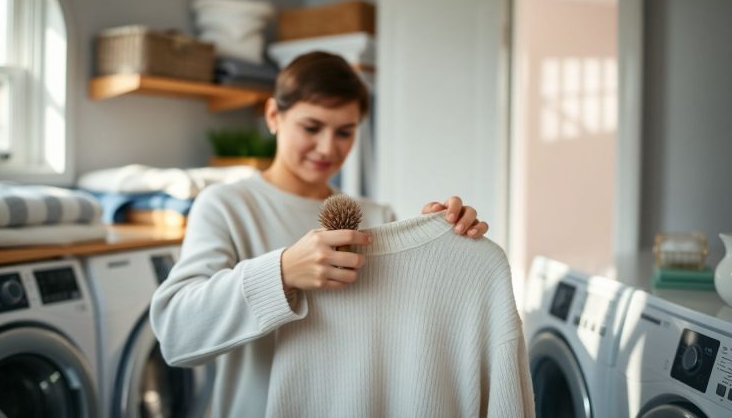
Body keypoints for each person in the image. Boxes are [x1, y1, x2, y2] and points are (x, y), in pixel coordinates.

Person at [149, 51, 490, 417]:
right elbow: (176, 334)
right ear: (273, 116)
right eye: (312, 128)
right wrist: (282, 273)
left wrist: (443, 241)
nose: (328, 148)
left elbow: (414, 327)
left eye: (345, 132)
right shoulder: (226, 206)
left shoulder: (377, 215)